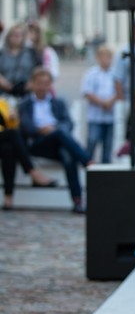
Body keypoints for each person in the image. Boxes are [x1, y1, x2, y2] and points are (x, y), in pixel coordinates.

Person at [18, 67, 93, 214]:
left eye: (46, 83)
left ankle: (77, 201)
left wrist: (53, 129)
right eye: (39, 83)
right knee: (60, 132)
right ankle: (87, 161)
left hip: (58, 142)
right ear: (33, 84)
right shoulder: (24, 104)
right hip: (38, 143)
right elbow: (27, 128)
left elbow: (69, 123)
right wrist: (45, 129)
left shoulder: (58, 102)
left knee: (67, 154)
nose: (42, 87)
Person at [0, 97, 57, 210]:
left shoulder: (2, 102)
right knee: (12, 134)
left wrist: (13, 118)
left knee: (8, 149)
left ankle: (8, 198)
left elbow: (12, 125)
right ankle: (32, 171)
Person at [81, 45, 117, 163]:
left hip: (110, 115)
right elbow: (87, 92)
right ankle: (88, 164)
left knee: (108, 145)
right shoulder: (91, 73)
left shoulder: (114, 73)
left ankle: (105, 170)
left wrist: (110, 101)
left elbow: (120, 90)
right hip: (95, 115)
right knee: (92, 141)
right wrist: (102, 103)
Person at [0, 23, 41, 97]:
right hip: (4, 92)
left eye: (19, 35)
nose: (16, 37)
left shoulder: (31, 52)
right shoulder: (2, 53)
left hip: (27, 92)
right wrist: (7, 85)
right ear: (8, 36)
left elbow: (38, 70)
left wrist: (29, 85)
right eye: (14, 34)